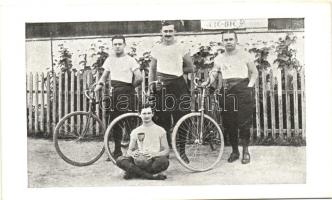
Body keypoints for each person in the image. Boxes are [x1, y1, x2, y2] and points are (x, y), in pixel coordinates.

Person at [202, 30, 258, 164]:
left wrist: (249, 87)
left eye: (231, 39)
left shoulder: (245, 55)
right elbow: (214, 73)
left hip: (243, 89)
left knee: (244, 123)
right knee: (229, 123)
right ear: (222, 42)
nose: (228, 42)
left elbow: (254, 73)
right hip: (226, 90)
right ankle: (234, 151)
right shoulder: (219, 58)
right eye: (225, 40)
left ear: (236, 40)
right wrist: (208, 81)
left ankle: (245, 151)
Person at [148, 21, 196, 163]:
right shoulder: (156, 49)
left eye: (170, 31)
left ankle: (182, 151)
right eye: (165, 31)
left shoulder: (181, 48)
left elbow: (191, 67)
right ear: (161, 33)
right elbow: (152, 69)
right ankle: (166, 151)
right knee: (163, 120)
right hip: (162, 86)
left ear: (175, 32)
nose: (168, 34)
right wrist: (151, 84)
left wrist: (177, 72)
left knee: (182, 118)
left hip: (179, 85)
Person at [94, 35, 143, 159]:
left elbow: (139, 77)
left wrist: (130, 87)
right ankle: (117, 152)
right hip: (115, 93)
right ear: (112, 46)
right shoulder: (110, 60)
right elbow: (104, 76)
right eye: (115, 44)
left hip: (128, 93)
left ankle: (135, 152)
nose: (117, 46)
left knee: (130, 123)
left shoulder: (130, 60)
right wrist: (98, 86)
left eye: (120, 44)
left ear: (124, 45)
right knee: (115, 123)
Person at [116, 106, 170, 180]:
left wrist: (154, 155)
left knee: (164, 161)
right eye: (144, 113)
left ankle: (135, 172)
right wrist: (132, 153)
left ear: (152, 114)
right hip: (138, 161)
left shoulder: (160, 130)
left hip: (153, 161)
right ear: (139, 114)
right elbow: (129, 150)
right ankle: (150, 176)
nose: (146, 116)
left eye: (149, 113)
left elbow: (166, 150)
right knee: (119, 160)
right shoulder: (135, 131)